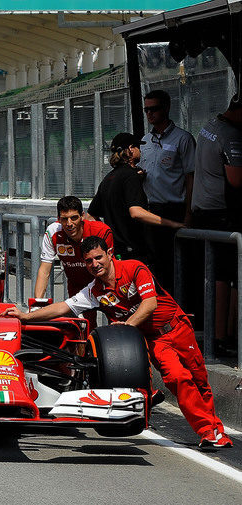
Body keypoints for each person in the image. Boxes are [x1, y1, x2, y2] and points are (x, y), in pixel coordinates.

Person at [4, 235, 231, 449]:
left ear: (110, 253)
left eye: (98, 257)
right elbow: (64, 307)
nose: (95, 264)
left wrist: (128, 325)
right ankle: (207, 432)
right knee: (177, 378)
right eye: (89, 261)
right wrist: (26, 316)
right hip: (154, 340)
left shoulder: (134, 269)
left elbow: (149, 304)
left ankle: (215, 429)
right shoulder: (94, 291)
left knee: (200, 380)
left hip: (177, 328)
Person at [191, 99, 242, 354]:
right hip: (220, 212)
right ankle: (223, 337)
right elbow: (236, 179)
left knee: (220, 274)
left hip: (204, 209)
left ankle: (222, 335)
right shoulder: (231, 135)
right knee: (226, 275)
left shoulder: (209, 125)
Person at [88, 133, 183, 266]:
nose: (141, 151)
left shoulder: (109, 178)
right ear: (131, 149)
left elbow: (90, 216)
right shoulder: (130, 176)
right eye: (138, 147)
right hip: (134, 255)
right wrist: (172, 224)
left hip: (116, 254)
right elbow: (136, 212)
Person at [139, 90, 196, 292]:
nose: (149, 114)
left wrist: (188, 214)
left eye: (154, 109)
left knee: (175, 265)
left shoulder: (183, 139)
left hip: (174, 209)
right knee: (153, 266)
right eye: (146, 110)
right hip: (151, 210)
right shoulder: (145, 140)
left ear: (166, 108)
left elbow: (191, 177)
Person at [34, 196, 114, 328]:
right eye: (64, 219)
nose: (69, 223)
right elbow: (44, 270)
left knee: (116, 325)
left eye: (74, 218)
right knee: (83, 329)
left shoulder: (101, 231)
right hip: (78, 286)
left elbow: (110, 267)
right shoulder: (53, 231)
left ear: (82, 216)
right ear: (58, 219)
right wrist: (38, 304)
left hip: (104, 285)